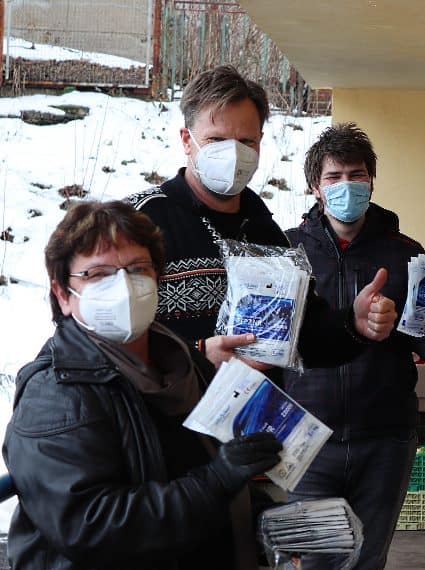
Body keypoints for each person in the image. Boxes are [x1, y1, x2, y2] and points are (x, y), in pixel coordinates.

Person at [1, 200, 283, 570]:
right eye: (98, 274)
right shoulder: (56, 392)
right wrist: (218, 481)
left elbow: (197, 469)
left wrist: (261, 518)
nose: (124, 286)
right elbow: (92, 525)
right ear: (63, 294)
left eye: (137, 268)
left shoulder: (184, 364)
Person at [275, 124, 425, 570]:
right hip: (307, 443)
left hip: (385, 439)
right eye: (333, 177)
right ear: (315, 187)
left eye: (356, 175)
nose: (347, 185)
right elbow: (271, 344)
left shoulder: (405, 252)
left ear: (372, 180)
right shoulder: (289, 252)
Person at [126, 65, 396, 368]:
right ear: (187, 140)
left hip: (255, 399)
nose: (233, 154)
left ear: (260, 142)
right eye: (216, 140)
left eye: (246, 142)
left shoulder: (266, 233)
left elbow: (306, 337)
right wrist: (196, 355)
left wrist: (354, 324)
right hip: (167, 400)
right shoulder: (137, 222)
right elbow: (100, 338)